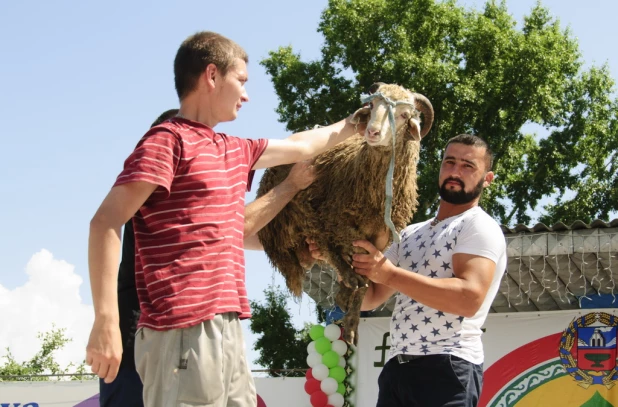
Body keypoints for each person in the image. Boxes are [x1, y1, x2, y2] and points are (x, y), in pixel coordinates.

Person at [86, 31, 361, 407]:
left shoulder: (234, 149)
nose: (246, 95)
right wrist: (105, 320)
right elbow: (104, 222)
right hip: (180, 328)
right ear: (211, 76)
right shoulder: (166, 140)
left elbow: (303, 145)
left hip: (228, 326)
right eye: (242, 81)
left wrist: (362, 121)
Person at [98, 109, 316, 407]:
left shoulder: (181, 196)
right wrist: (290, 186)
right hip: (152, 337)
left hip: (174, 337)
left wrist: (291, 251)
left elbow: (231, 234)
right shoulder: (157, 182)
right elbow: (237, 227)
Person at [351, 134, 507, 407]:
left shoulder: (479, 226)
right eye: (450, 162)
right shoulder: (409, 232)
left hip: (447, 367)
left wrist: (388, 273)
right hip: (396, 370)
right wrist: (337, 258)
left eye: (468, 166)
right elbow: (369, 297)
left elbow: (468, 299)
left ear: (487, 179)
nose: (455, 172)